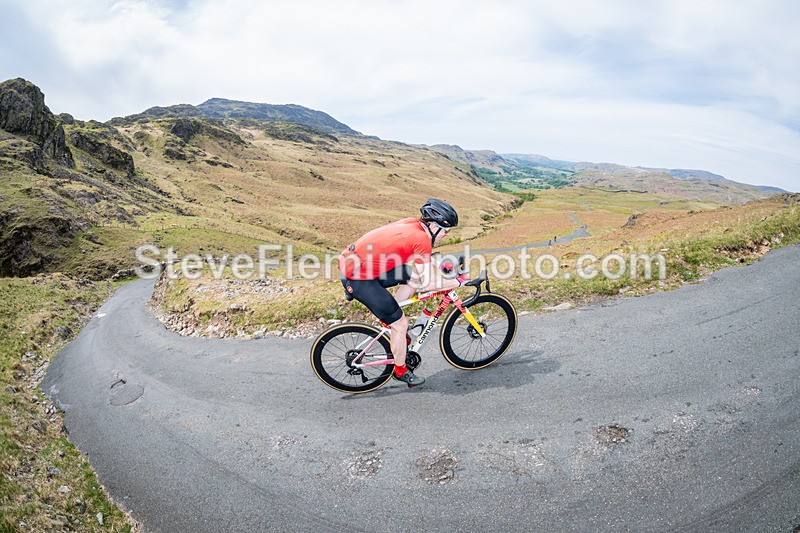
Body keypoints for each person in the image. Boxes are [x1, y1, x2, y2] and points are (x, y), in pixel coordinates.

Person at [338, 198, 464, 387]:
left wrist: (441, 266)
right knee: (401, 324)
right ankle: (400, 370)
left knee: (414, 276)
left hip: (354, 263)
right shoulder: (422, 239)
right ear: (433, 226)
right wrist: (460, 281)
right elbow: (429, 285)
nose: (445, 235)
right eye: (444, 231)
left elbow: (419, 259)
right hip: (358, 279)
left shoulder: (413, 224)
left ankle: (389, 321)